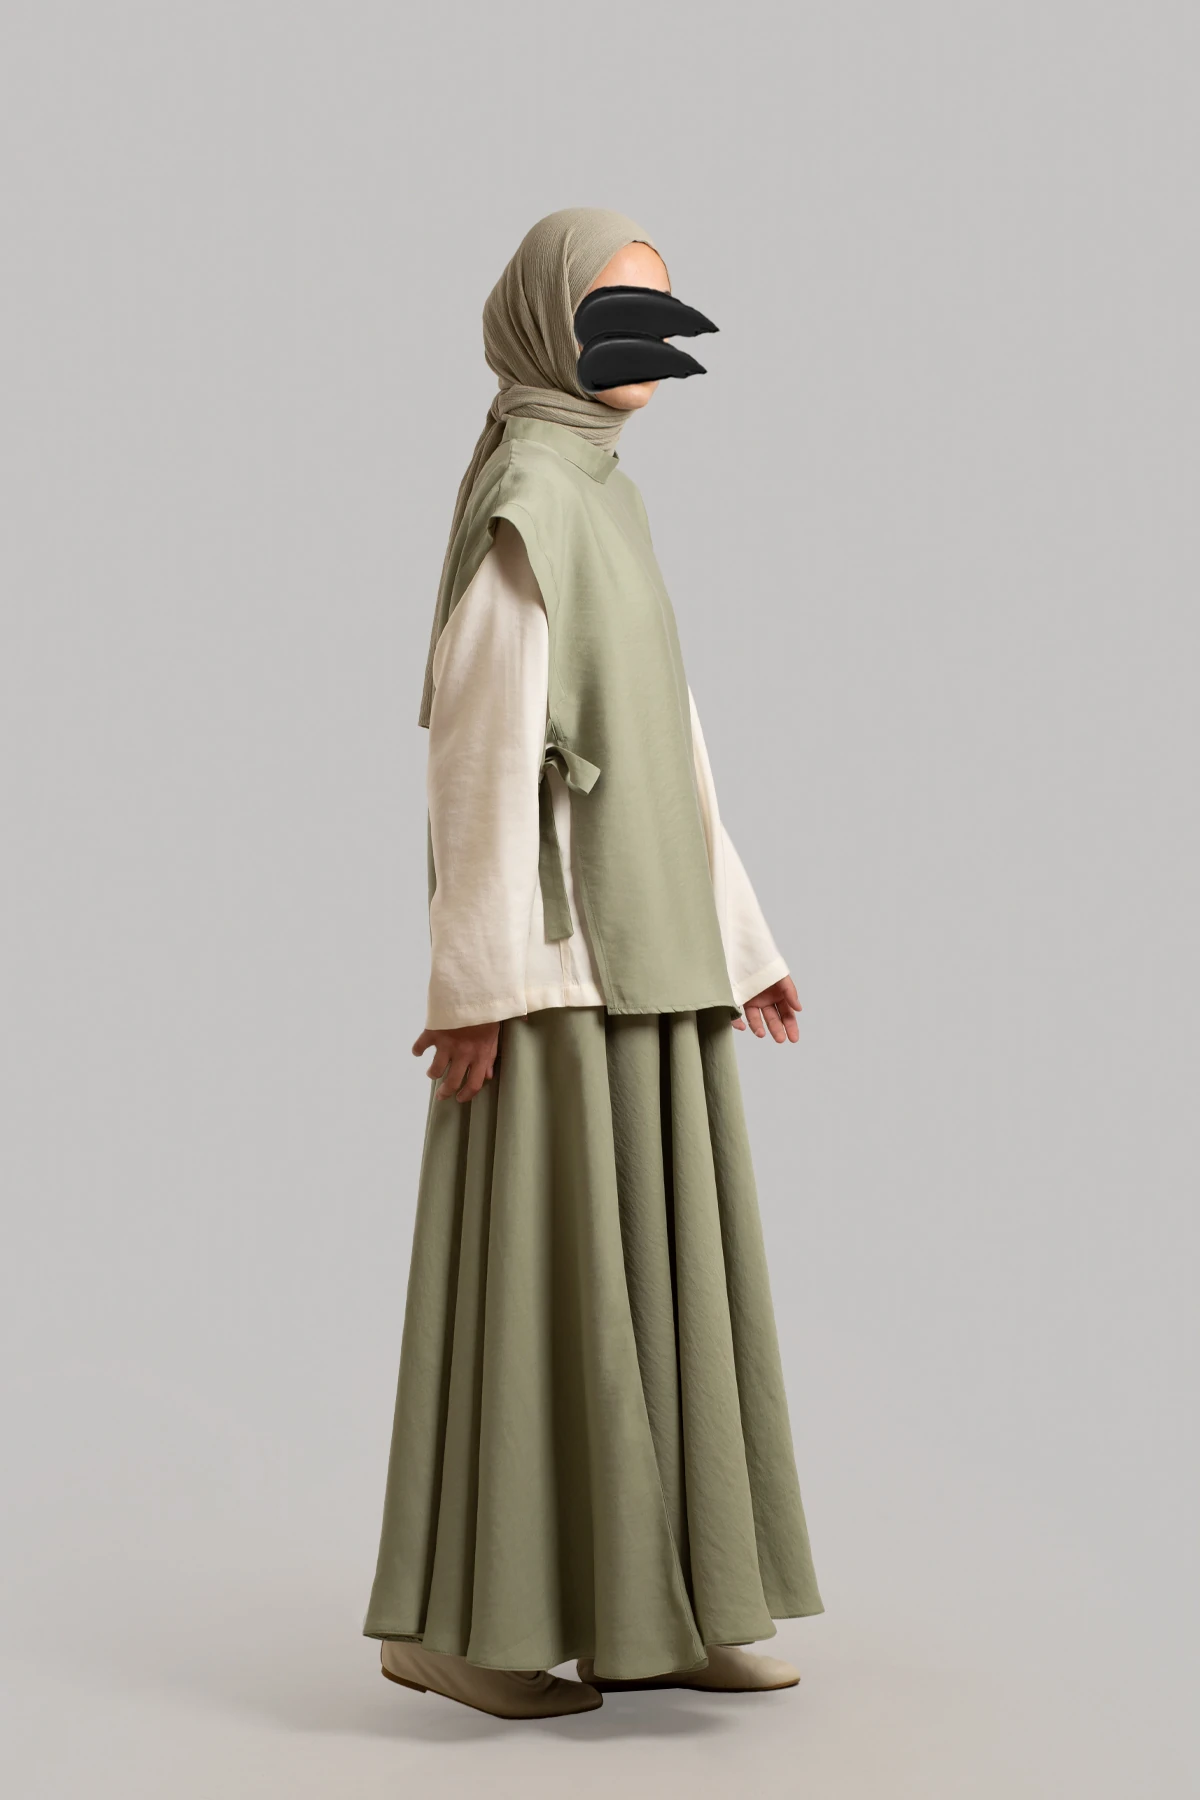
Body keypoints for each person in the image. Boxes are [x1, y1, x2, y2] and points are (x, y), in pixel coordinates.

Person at [363, 207, 822, 1720]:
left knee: (665, 1302)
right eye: (617, 314)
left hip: (658, 958)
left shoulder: (606, 497)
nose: (647, 344)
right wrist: (474, 989)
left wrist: (742, 941)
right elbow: (480, 756)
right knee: (551, 1297)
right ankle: (466, 1632)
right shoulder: (529, 501)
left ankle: (671, 1610)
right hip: (561, 972)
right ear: (545, 327)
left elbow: (671, 751)